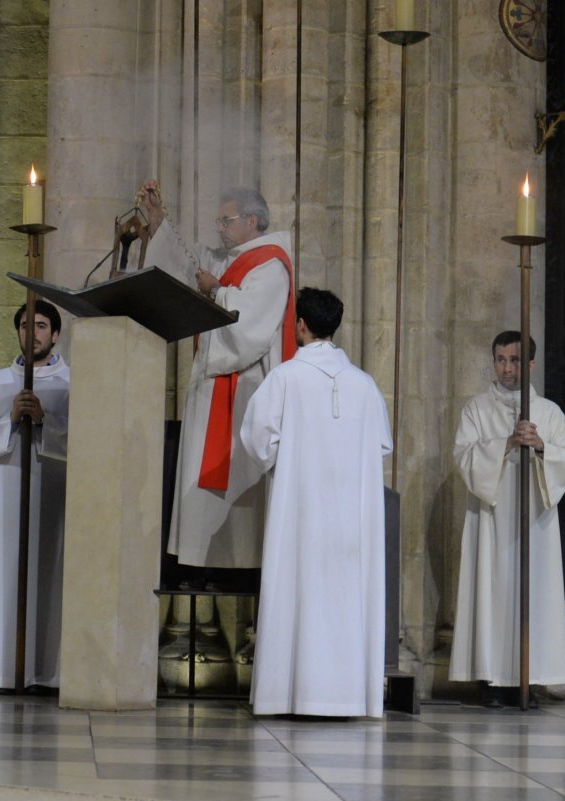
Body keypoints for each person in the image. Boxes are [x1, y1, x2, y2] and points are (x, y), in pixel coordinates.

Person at [239, 287, 393, 717]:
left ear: (300, 326)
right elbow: (383, 445)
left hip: (301, 513)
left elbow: (254, 437)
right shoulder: (365, 385)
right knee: (345, 599)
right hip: (351, 524)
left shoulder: (286, 378)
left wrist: (282, 463)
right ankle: (346, 696)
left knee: (298, 593)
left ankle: (290, 695)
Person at [139, 181, 297, 575]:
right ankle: (205, 568)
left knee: (239, 484)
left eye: (226, 221)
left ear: (253, 220)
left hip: (243, 388)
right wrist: (159, 219)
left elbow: (251, 328)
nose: (220, 228)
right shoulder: (233, 258)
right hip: (214, 386)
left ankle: (240, 566)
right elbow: (187, 262)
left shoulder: (270, 264)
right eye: (219, 221)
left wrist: (218, 292)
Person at [449, 331, 565, 707]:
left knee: (532, 594)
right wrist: (505, 443)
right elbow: (463, 456)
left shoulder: (550, 413)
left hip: (533, 523)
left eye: (516, 360)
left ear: (532, 364)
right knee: (491, 592)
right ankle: (490, 679)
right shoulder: (476, 409)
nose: (507, 368)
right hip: (490, 519)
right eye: (501, 360)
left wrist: (540, 446)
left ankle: (529, 678)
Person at [0, 300, 70, 692]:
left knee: (51, 577)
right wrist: (10, 418)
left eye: (42, 326)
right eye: (27, 325)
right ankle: (2, 669)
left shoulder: (73, 382)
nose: (34, 333)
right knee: (7, 571)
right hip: (8, 487)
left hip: (53, 491)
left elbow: (88, 441)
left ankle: (47, 672)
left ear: (56, 334)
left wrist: (47, 420)